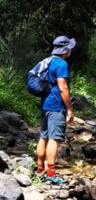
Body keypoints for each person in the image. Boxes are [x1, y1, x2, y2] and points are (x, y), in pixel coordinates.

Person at [35, 35, 76, 183]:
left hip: (45, 104)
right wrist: (69, 109)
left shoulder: (47, 61)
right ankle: (51, 174)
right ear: (65, 50)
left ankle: (40, 169)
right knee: (55, 139)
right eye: (69, 48)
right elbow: (63, 87)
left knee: (44, 136)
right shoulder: (61, 64)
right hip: (56, 106)